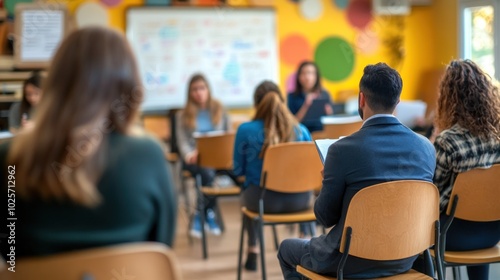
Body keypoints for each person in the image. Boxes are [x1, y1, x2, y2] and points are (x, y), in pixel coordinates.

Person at [0, 27, 177, 259]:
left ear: (54, 83)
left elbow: (8, 254)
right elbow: (161, 249)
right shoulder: (147, 155)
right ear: (127, 84)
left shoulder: (10, 156)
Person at [278, 63, 436, 279]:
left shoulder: (341, 150)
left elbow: (325, 217)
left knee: (286, 249)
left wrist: (328, 183)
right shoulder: (426, 148)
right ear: (397, 102)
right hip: (406, 256)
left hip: (350, 260)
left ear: (361, 100)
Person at [233, 81, 312, 271]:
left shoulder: (245, 130)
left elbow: (238, 170)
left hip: (262, 201)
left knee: (247, 194)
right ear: (282, 101)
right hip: (301, 201)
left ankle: (253, 250)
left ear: (256, 104)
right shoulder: (301, 130)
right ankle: (307, 247)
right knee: (302, 184)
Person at [433, 59, 500, 280]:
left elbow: (432, 192)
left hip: (452, 235)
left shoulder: (447, 141)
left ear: (449, 99)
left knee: (414, 228)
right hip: (493, 232)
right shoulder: (497, 138)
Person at [175, 74, 231, 238]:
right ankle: (204, 215)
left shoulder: (220, 109)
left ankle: (204, 213)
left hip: (218, 158)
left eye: (202, 88)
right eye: (195, 89)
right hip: (194, 159)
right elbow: (182, 141)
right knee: (208, 174)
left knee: (238, 171)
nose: (199, 93)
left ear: (208, 89)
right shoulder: (182, 115)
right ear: (190, 93)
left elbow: (228, 134)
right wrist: (189, 154)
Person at [287, 61, 333, 133]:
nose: (307, 77)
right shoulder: (292, 96)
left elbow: (331, 120)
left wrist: (329, 113)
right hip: (301, 134)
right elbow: (292, 123)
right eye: (304, 73)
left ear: (316, 76)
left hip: (322, 133)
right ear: (298, 77)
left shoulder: (324, 94)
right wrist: (306, 105)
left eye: (311, 73)